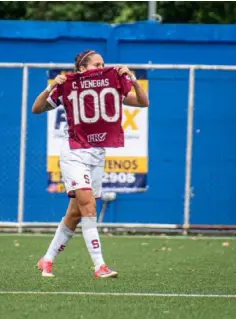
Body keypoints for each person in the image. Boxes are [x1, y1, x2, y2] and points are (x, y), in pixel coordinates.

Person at [31, 50, 149, 278]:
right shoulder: (69, 86)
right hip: (74, 151)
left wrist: (133, 79)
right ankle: (99, 265)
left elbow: (144, 102)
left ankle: (46, 259)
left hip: (97, 154)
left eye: (103, 63)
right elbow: (37, 108)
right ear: (82, 69)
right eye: (97, 64)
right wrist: (51, 86)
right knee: (89, 208)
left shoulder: (111, 85)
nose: (102, 67)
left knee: (75, 215)